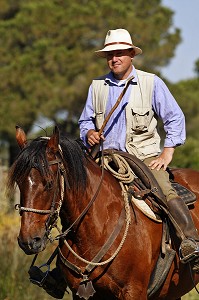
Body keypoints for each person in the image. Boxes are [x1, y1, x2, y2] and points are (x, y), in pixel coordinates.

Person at [78, 28, 199, 271]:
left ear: (131, 54)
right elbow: (84, 122)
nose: (114, 58)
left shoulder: (151, 83)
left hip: (143, 159)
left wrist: (167, 153)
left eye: (120, 53)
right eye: (110, 54)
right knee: (73, 196)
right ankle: (63, 268)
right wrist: (89, 133)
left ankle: (191, 242)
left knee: (164, 190)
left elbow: (175, 118)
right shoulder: (97, 87)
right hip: (105, 160)